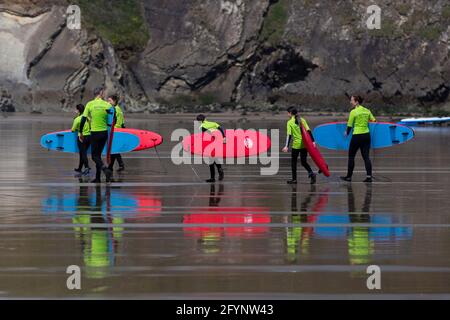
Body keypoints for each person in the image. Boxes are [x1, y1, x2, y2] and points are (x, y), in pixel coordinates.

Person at [79, 87, 113, 183]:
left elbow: (83, 119)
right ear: (101, 93)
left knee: (94, 156)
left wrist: (81, 132)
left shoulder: (90, 104)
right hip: (104, 133)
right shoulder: (107, 105)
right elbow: (113, 117)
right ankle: (97, 178)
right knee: (98, 155)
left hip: (94, 133)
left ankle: (106, 170)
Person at [340, 95, 376, 183]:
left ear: (356, 102)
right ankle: (369, 177)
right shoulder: (367, 111)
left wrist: (346, 133)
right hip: (366, 135)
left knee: (351, 156)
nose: (350, 102)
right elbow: (374, 121)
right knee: (366, 157)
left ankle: (349, 177)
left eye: (352, 100)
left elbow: (349, 125)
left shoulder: (353, 112)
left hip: (357, 136)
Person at [282, 107, 317, 184]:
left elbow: (289, 135)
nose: (287, 114)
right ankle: (311, 173)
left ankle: (294, 179)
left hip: (296, 146)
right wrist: (313, 141)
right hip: (305, 145)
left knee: (293, 162)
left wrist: (286, 146)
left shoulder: (289, 122)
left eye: (288, 113)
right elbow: (308, 131)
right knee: (303, 162)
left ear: (290, 113)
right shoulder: (302, 120)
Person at [196, 114, 226, 183]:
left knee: (211, 159)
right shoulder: (213, 123)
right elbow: (220, 128)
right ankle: (219, 171)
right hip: (219, 141)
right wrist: (224, 137)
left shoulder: (201, 126)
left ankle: (215, 175)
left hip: (211, 142)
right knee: (213, 158)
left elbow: (208, 134)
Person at [107, 95, 125, 172]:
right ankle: (112, 166)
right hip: (118, 130)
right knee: (114, 149)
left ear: (114, 101)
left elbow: (115, 122)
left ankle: (119, 165)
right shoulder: (118, 109)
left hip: (115, 131)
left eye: (110, 101)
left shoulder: (114, 109)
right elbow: (122, 122)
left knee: (114, 149)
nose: (108, 102)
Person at [72, 104, 91, 176]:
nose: (75, 110)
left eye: (76, 109)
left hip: (81, 138)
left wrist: (76, 129)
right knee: (82, 153)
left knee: (83, 153)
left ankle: (86, 167)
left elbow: (73, 130)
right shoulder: (88, 118)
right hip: (89, 137)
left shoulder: (77, 119)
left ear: (78, 110)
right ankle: (80, 168)